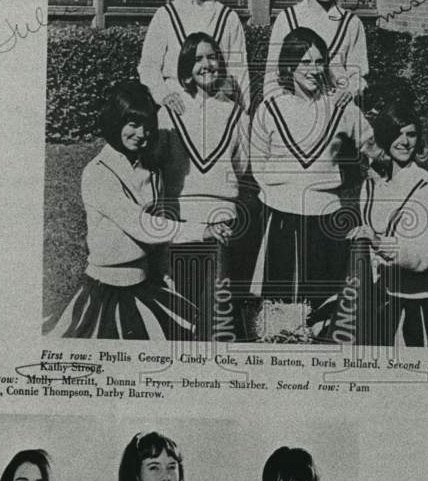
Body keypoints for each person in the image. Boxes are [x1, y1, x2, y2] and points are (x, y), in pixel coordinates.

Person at [45, 81, 231, 340]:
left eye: (147, 126)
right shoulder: (98, 172)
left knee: (188, 335)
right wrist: (203, 230)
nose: (141, 134)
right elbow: (141, 225)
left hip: (144, 284)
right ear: (115, 122)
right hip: (106, 290)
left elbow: (160, 231)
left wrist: (166, 276)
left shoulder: (151, 170)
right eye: (132, 124)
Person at [312, 100, 428, 347]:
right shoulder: (370, 184)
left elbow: (424, 257)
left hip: (412, 302)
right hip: (372, 295)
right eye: (396, 134)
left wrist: (378, 243)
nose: (404, 142)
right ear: (384, 136)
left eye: (411, 134)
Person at [249, 28, 375, 328]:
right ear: (289, 66)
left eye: (320, 62)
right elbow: (257, 161)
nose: (315, 70)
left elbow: (373, 146)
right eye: (305, 62)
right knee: (277, 309)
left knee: (320, 306)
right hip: (279, 215)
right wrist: (280, 193)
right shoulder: (270, 107)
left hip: (324, 216)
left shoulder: (340, 106)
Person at [158, 32, 250, 340]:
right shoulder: (170, 110)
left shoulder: (236, 113)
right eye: (197, 59)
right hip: (181, 220)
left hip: (222, 220)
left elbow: (241, 165)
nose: (206, 64)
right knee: (180, 307)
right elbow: (159, 164)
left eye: (212, 57)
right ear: (186, 69)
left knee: (217, 311)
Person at [139, 0, 250, 112]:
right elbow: (149, 67)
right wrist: (163, 95)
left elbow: (240, 71)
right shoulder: (166, 15)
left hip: (219, 107)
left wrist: (243, 113)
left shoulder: (228, 17)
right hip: (178, 109)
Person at [262, 0, 369, 102]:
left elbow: (358, 75)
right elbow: (272, 77)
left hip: (337, 109)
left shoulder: (351, 24)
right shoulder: (287, 19)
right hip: (296, 110)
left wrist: (350, 90)